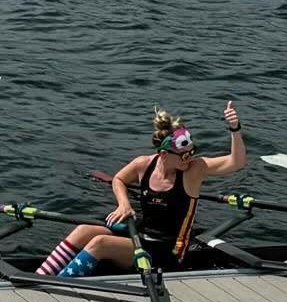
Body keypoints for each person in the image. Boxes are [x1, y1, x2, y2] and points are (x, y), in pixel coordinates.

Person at [37, 102, 245, 276]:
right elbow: (119, 179)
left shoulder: (194, 170)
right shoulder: (143, 164)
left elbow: (236, 162)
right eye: (184, 155)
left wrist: (234, 128)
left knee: (100, 243)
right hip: (141, 237)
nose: (189, 158)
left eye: (192, 151)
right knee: (84, 231)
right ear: (164, 155)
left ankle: (56, 288)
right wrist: (124, 204)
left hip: (170, 252)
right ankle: (38, 278)